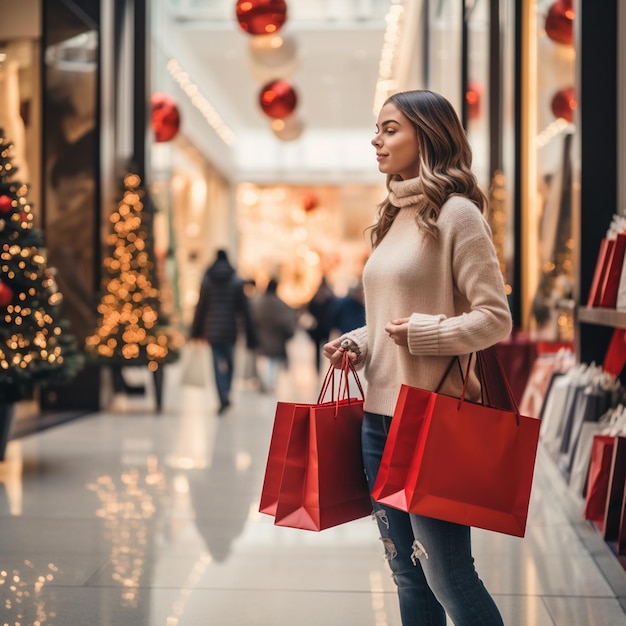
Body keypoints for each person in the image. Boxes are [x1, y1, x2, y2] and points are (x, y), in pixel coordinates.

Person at [323, 90, 512, 625]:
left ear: (427, 135)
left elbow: (494, 317)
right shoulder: (394, 216)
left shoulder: (457, 215)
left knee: (448, 575)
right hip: (377, 421)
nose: (376, 140)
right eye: (377, 130)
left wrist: (426, 334)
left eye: (390, 129)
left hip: (431, 419)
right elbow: (393, 313)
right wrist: (358, 343)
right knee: (406, 573)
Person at [191, 249, 257, 414]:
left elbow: (201, 307)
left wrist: (196, 331)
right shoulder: (236, 281)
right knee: (230, 364)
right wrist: (250, 335)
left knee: (216, 365)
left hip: (212, 329)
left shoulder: (207, 280)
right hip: (230, 330)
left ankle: (222, 396)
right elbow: (244, 310)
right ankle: (227, 391)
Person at [251, 278, 298, 392]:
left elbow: (251, 317)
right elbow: (288, 318)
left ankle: (266, 383)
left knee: (265, 361)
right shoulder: (278, 303)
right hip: (275, 338)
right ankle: (270, 383)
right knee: (272, 361)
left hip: (261, 335)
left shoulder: (259, 301)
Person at [305, 275, 336, 373]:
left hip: (317, 328)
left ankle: (318, 369)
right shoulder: (330, 296)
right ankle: (328, 368)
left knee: (317, 350)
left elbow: (309, 309)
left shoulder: (315, 296)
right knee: (327, 349)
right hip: (326, 327)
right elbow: (334, 311)